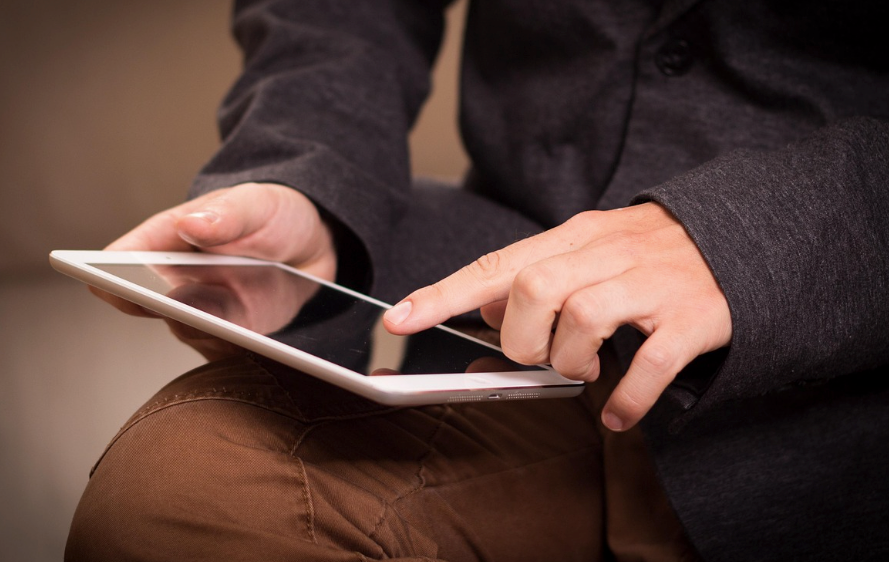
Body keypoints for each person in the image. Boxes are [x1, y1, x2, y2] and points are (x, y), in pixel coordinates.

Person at [67, 0, 889, 560]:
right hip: (505, 316)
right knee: (190, 490)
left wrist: (753, 240)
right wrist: (311, 175)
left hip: (842, 398)